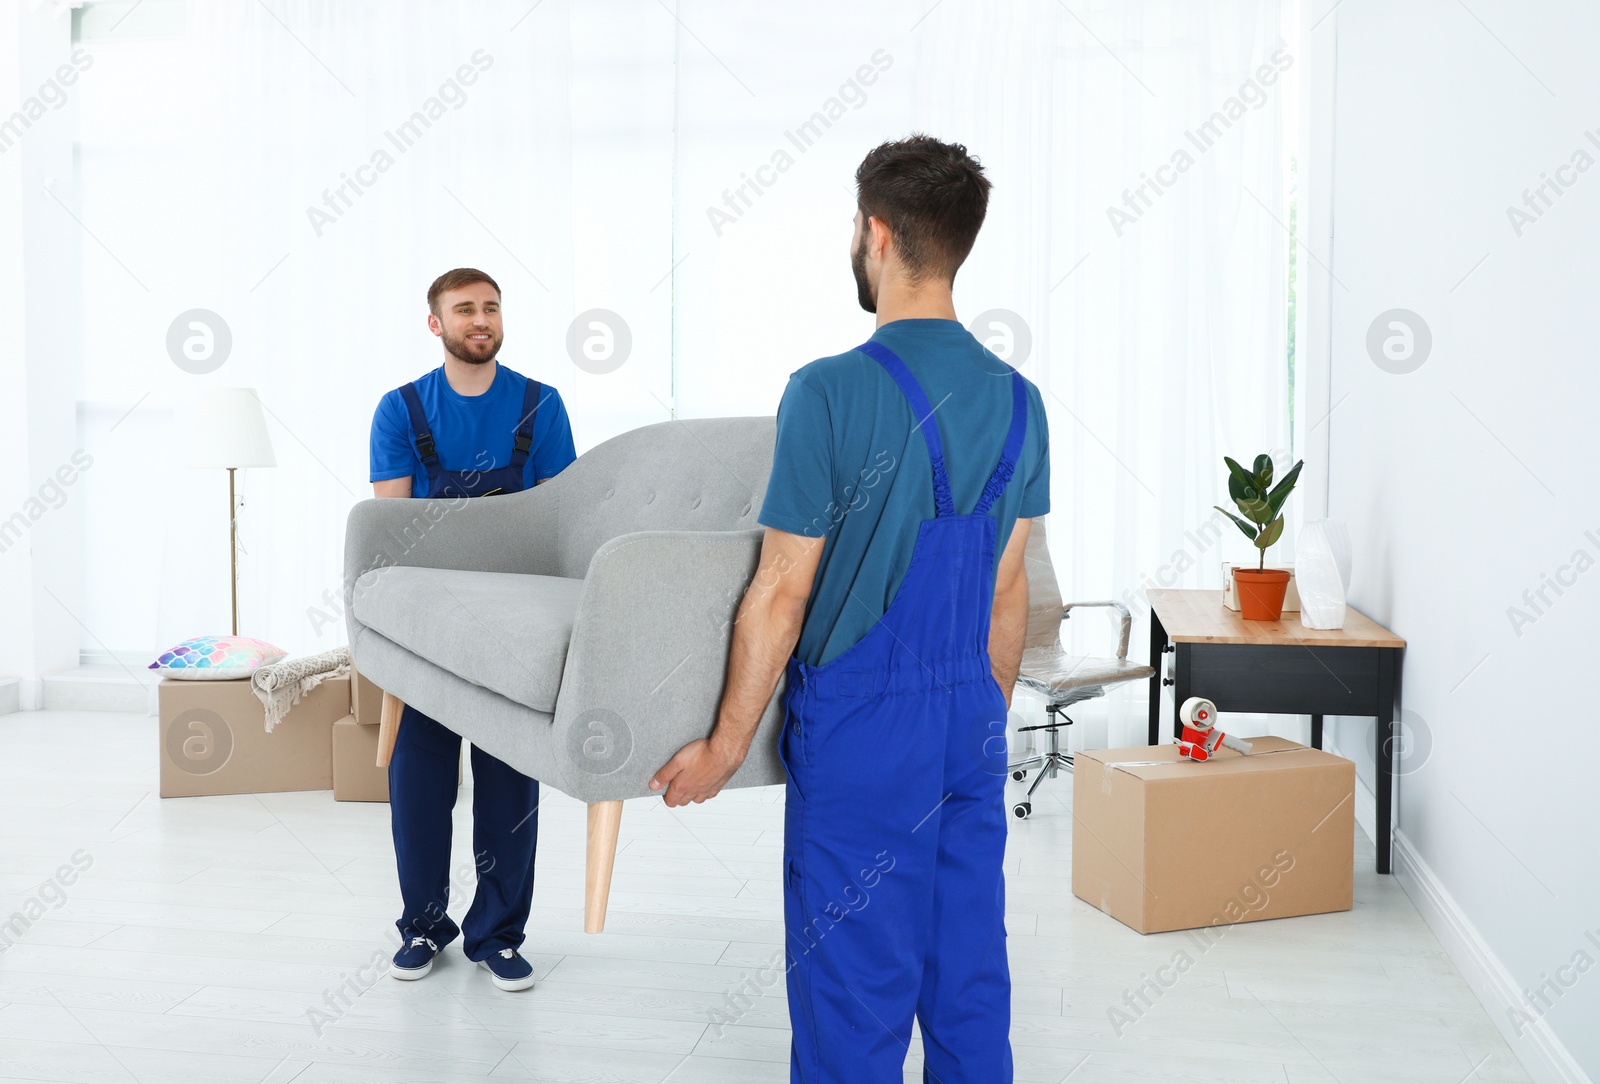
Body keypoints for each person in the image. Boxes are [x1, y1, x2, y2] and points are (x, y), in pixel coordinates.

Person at [650, 135, 1050, 1082]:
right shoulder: (1022, 400)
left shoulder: (829, 391)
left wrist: (721, 747)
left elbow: (781, 592)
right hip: (969, 718)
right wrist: (978, 722)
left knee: (852, 989)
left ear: (876, 233)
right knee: (967, 976)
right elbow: (1007, 588)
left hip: (867, 729)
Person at [368, 267, 576, 991]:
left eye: (490, 308)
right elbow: (389, 531)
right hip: (427, 623)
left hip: (514, 624)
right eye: (465, 310)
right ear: (437, 324)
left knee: (509, 779)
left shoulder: (540, 405)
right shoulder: (400, 410)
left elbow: (556, 522)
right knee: (419, 780)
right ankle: (423, 927)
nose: (480, 319)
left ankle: (498, 935)